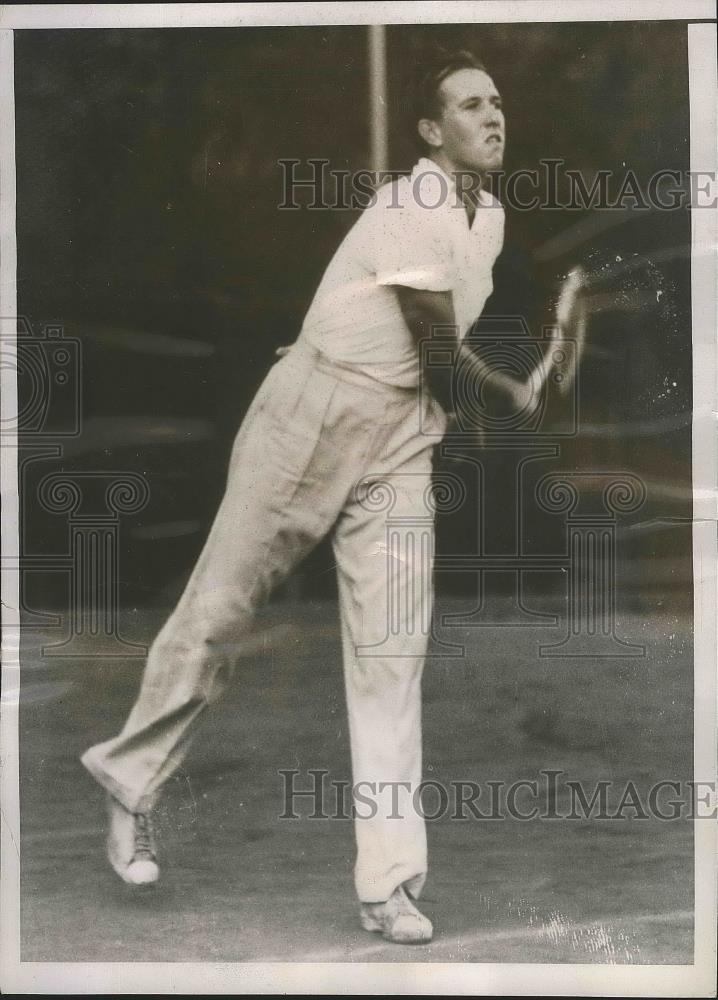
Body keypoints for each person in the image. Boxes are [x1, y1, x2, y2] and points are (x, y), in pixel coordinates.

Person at [81, 49, 584, 945]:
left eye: (498, 102)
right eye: (470, 105)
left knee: (392, 656)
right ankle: (129, 786)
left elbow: (435, 369)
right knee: (220, 611)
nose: (493, 115)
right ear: (432, 132)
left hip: (401, 436)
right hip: (311, 414)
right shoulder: (411, 206)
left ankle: (389, 887)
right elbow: (439, 350)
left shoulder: (491, 219)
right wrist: (509, 398)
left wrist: (469, 418)